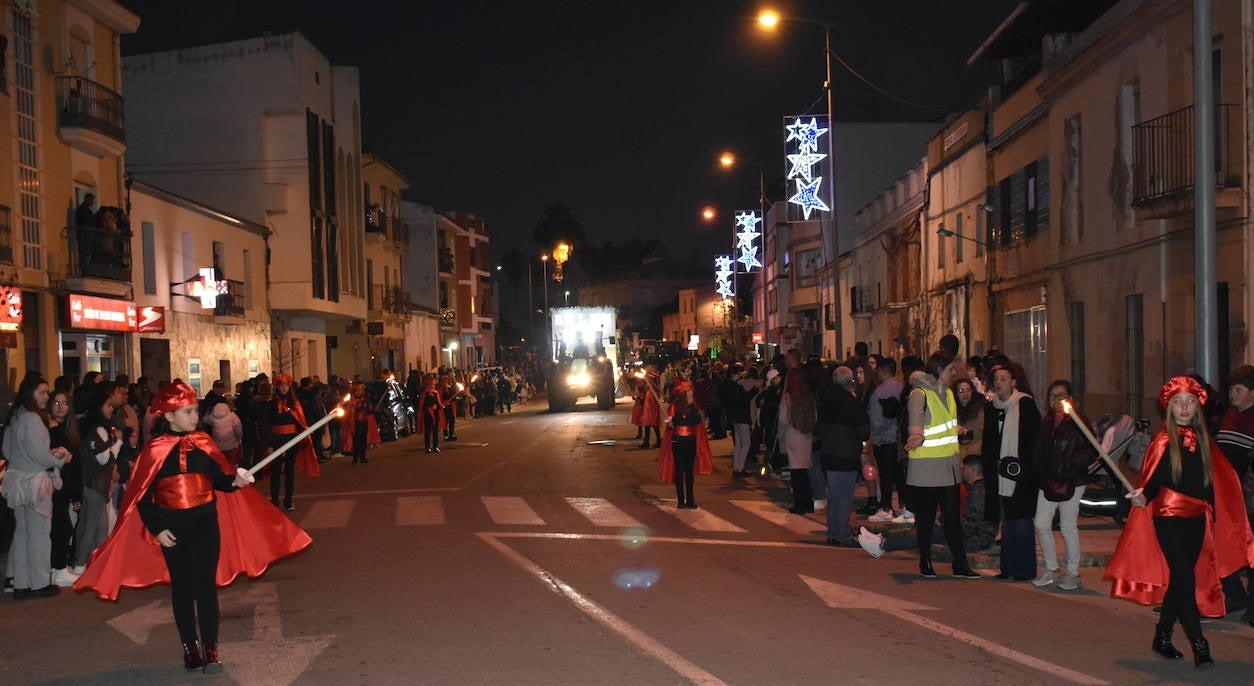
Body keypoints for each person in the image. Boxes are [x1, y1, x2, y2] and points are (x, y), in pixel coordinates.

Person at [74, 381, 313, 673]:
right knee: (183, 590)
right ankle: (191, 647)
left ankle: (211, 649)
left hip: (205, 524)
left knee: (206, 588)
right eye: (188, 411)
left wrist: (235, 481)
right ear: (170, 416)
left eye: (195, 411)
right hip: (172, 529)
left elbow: (219, 479)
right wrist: (156, 528)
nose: (194, 416)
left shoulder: (203, 442)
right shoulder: (155, 450)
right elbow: (142, 495)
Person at [1106, 376, 1254, 668]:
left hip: (1197, 518)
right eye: (1177, 402)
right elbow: (1154, 480)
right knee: (1185, 577)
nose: (1184, 407)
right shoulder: (1163, 441)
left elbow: (1213, 484)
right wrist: (1141, 496)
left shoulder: (1206, 441)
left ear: (1198, 407)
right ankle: (1200, 644)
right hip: (1169, 516)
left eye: (1190, 402)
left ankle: (1162, 635)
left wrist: (1219, 516)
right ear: (1169, 407)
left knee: (1181, 578)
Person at [904, 351, 979, 579]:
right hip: (926, 467)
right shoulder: (919, 394)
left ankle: (960, 563)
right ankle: (925, 562)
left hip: (949, 465)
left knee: (952, 517)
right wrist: (916, 435)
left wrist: (957, 431)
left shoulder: (948, 393)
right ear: (938, 370)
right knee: (926, 517)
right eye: (950, 369)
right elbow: (916, 424)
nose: (954, 373)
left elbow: (944, 425)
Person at [1, 375, 74, 599]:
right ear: (31, 393)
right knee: (40, 535)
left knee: (22, 534)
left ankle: (21, 583)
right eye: (43, 392)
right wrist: (60, 459)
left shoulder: (16, 416)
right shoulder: (32, 419)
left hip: (17, 480)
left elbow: (7, 450)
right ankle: (39, 583)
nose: (47, 396)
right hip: (35, 483)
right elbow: (39, 455)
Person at [859, 456, 998, 558]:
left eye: (964, 468)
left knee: (927, 532)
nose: (962, 471)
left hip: (974, 539)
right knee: (927, 529)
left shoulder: (979, 491)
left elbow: (972, 524)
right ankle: (882, 540)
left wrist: (945, 520)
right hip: (975, 536)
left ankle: (882, 544)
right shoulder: (982, 488)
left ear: (973, 470)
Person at [1032, 380, 1095, 591]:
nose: (1057, 400)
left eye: (1061, 395)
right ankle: (1052, 568)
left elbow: (1092, 449)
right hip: (1049, 480)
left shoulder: (1078, 421)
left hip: (1072, 480)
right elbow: (1039, 450)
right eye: (1052, 396)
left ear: (1070, 398)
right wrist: (1040, 469)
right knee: (1041, 523)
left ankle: (1073, 572)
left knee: (1068, 526)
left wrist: (1069, 463)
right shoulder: (1047, 422)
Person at [981, 363, 1041, 581]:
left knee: (1021, 520)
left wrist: (1025, 469)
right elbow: (989, 442)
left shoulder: (1024, 403)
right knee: (1006, 521)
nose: (999, 383)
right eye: (996, 379)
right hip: (999, 472)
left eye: (1004, 379)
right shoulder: (992, 407)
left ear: (1014, 382)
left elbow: (1033, 440)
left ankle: (1024, 570)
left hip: (1021, 473)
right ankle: (1008, 568)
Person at [1215, 364, 1254, 623]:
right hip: (1233, 495)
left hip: (1249, 495)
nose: (1232, 395)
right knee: (1222, 544)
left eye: (1237, 390)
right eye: (1230, 389)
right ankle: (1235, 594)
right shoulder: (1231, 417)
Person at [74, 381, 124, 572]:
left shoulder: (92, 427)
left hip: (94, 485)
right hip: (95, 484)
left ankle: (97, 565)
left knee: (97, 526)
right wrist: (118, 441)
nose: (112, 409)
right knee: (92, 526)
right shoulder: (98, 429)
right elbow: (103, 458)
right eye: (109, 406)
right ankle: (81, 565)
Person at [818, 367, 869, 547]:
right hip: (847, 456)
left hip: (829, 455)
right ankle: (842, 535)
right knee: (845, 498)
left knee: (834, 497)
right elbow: (863, 430)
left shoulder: (825, 401)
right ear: (850, 382)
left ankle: (833, 533)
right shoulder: (851, 402)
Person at [258, 373, 320, 511]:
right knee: (275, 470)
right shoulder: (271, 404)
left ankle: (288, 500)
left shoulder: (294, 403)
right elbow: (266, 425)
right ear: (277, 387)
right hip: (276, 440)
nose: (284, 388)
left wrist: (305, 430)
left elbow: (299, 421)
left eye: (286, 385)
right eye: (281, 386)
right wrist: (268, 445)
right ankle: (274, 500)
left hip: (292, 440)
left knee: (290, 471)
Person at [657, 381, 712, 508]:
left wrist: (692, 407)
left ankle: (690, 499)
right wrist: (670, 424)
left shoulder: (693, 406)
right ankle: (681, 500)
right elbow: (672, 425)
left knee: (689, 472)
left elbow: (696, 421)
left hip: (691, 441)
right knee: (679, 470)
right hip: (678, 442)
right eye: (689, 391)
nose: (692, 392)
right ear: (683, 393)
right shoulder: (674, 407)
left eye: (691, 390)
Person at [47, 389, 82, 587]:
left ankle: (58, 567)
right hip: (53, 484)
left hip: (66, 485)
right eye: (56, 403)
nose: (60, 407)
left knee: (63, 526)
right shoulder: (50, 430)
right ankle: (57, 568)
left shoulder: (70, 431)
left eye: (64, 403)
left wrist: (76, 492)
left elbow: (76, 466)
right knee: (60, 526)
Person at [866, 358, 904, 522]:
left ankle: (886, 507)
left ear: (883, 371)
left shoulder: (879, 392)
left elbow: (876, 420)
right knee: (901, 476)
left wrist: (872, 437)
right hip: (899, 439)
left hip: (883, 440)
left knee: (886, 477)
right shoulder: (902, 388)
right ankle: (904, 507)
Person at [779, 371, 816, 514]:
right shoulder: (808, 397)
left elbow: (783, 419)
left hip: (793, 435)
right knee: (804, 471)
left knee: (796, 472)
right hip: (806, 435)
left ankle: (800, 504)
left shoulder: (788, 397)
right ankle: (808, 502)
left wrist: (779, 436)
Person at [341, 382, 381, 465]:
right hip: (355, 424)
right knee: (356, 441)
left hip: (364, 423)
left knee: (363, 440)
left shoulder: (365, 400)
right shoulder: (352, 402)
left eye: (360, 390)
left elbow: (369, 411)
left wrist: (374, 410)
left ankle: (363, 457)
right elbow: (349, 413)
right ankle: (355, 458)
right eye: (357, 391)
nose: (358, 392)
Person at [202, 400, 244, 468]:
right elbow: (238, 430)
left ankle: (223, 475)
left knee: (221, 464)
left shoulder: (212, 417)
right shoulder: (232, 416)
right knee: (231, 463)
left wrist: (207, 412)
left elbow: (205, 419)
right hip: (231, 446)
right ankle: (231, 476)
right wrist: (239, 438)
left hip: (218, 446)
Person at [417, 375, 446, 454]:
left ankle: (435, 446)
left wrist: (440, 406)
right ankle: (427, 447)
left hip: (435, 414)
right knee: (427, 431)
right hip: (427, 414)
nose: (432, 386)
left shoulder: (435, 393)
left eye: (433, 384)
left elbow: (438, 403)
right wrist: (428, 408)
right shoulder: (424, 394)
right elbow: (421, 405)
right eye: (430, 385)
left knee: (435, 431)